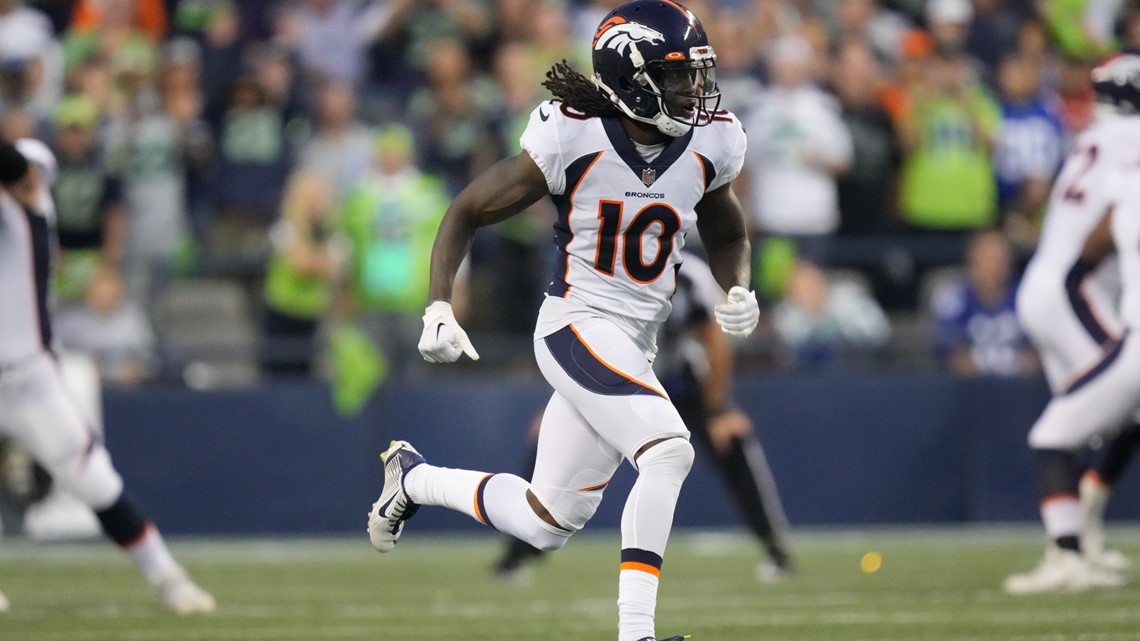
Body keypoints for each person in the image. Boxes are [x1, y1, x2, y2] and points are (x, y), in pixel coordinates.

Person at [366, 3, 757, 641]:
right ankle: (637, 635)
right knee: (669, 450)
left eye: (696, 74)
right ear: (633, 79)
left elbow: (727, 228)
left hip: (634, 342)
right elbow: (465, 210)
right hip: (575, 324)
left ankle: (413, 478)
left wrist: (738, 284)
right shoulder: (572, 133)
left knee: (547, 522)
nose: (695, 90)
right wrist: (438, 303)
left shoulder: (713, 138)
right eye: (678, 75)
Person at [0, 138, 214, 614]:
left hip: (29, 380)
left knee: (95, 482)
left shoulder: (28, 207)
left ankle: (168, 579)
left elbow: (11, 164)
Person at [493, 251, 792, 584]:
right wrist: (562, 399)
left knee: (731, 442)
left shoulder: (688, 275)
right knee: (545, 446)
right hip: (612, 380)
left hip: (675, 384)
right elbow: (568, 337)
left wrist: (718, 409)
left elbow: (712, 339)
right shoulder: (594, 263)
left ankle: (775, 548)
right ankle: (514, 555)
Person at [1003, 54, 1140, 595]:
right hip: (1072, 288)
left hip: (1044, 284)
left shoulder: (1091, 137)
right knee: (1111, 412)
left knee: (1090, 418)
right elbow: (1103, 228)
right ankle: (1075, 545)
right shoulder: (1130, 140)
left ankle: (1077, 543)